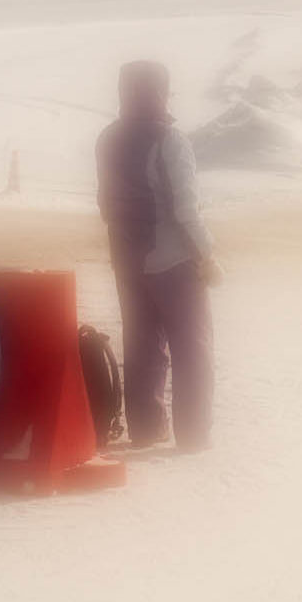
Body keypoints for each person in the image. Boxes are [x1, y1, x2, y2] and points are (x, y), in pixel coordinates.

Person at [97, 60, 219, 451]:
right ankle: (194, 434)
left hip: (126, 259)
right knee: (192, 348)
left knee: (141, 346)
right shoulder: (170, 139)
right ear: (161, 93)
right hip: (174, 261)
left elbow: (105, 202)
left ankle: (147, 429)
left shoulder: (108, 138)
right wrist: (207, 254)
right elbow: (186, 209)